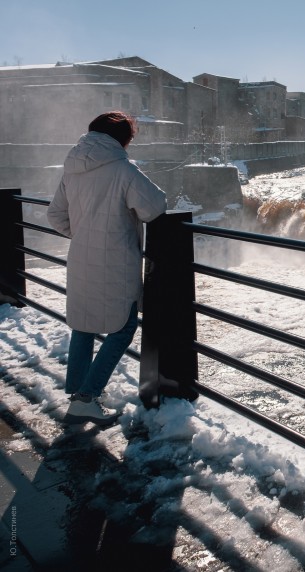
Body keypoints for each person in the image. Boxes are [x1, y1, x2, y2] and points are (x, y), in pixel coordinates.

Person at [47, 111, 167, 426]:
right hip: (116, 262)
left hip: (81, 260)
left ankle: (78, 394)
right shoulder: (122, 169)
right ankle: (86, 398)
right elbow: (154, 207)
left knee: (84, 326)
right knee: (124, 326)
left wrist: (87, 235)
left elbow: (56, 216)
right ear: (122, 139)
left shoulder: (72, 168)